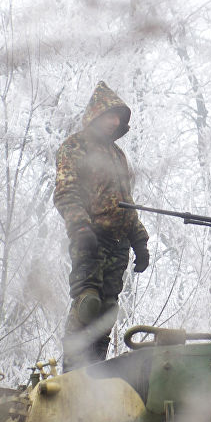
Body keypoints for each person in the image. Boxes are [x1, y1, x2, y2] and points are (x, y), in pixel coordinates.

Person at [53, 81, 149, 370]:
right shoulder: (75, 146)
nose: (116, 122)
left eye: (119, 118)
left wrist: (140, 240)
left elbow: (126, 203)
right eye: (111, 115)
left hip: (118, 244)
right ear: (96, 114)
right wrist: (80, 228)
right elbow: (66, 191)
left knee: (107, 310)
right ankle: (70, 374)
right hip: (89, 238)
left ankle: (94, 372)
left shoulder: (118, 156)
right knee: (88, 304)